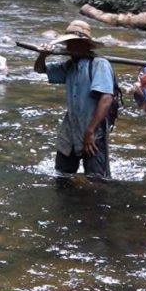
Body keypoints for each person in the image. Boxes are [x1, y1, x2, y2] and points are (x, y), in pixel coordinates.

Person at [34, 19, 116, 179]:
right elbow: (39, 69)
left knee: (97, 181)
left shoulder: (99, 64)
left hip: (93, 133)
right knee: (62, 177)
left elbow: (106, 98)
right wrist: (43, 55)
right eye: (69, 44)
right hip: (70, 132)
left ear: (85, 45)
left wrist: (90, 131)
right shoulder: (70, 66)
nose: (69, 47)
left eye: (74, 43)